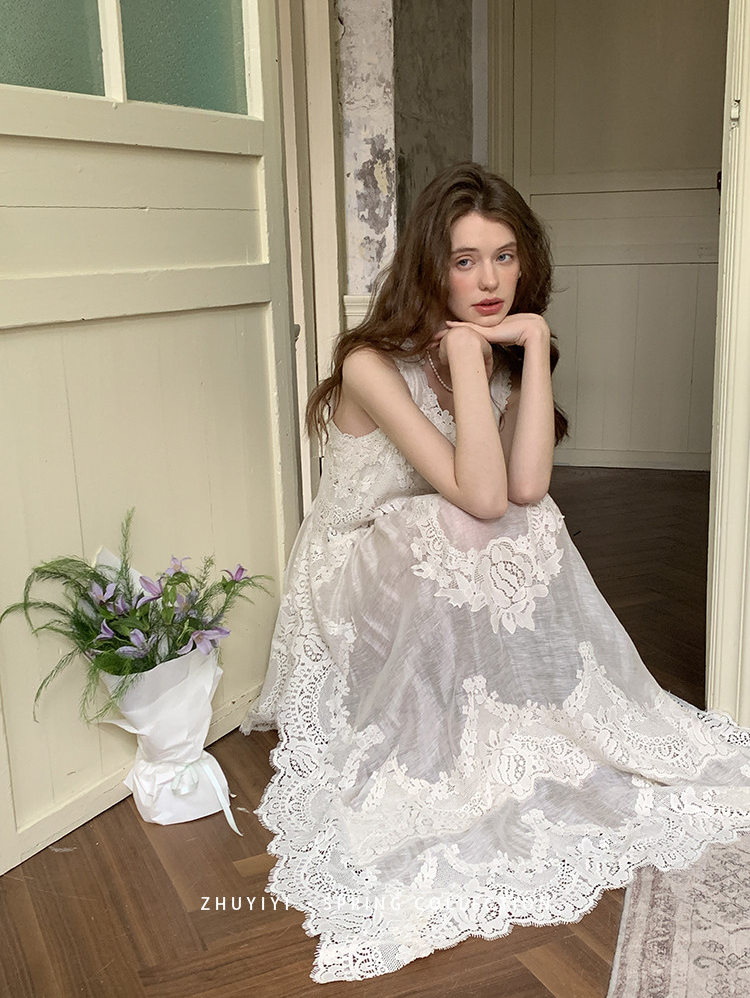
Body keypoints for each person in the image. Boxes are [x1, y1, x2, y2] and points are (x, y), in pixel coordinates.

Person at [242, 162, 750, 984]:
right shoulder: (370, 361)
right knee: (452, 519)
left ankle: (529, 717)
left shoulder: (502, 349)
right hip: (356, 572)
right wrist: (466, 358)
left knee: (526, 520)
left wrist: (535, 350)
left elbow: (526, 487)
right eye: (465, 260)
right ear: (430, 268)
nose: (488, 281)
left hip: (441, 553)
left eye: (504, 257)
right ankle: (463, 732)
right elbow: (478, 496)